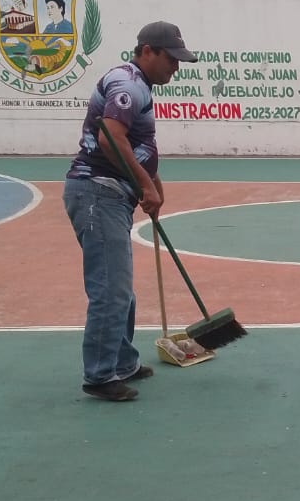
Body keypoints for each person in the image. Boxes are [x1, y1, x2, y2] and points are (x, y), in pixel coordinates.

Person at [62, 21, 198, 401]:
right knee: (111, 289)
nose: (176, 67)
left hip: (108, 194)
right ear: (148, 51)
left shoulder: (139, 86)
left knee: (120, 288)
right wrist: (144, 185)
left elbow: (137, 145)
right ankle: (100, 375)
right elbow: (110, 137)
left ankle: (122, 362)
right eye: (172, 59)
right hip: (98, 192)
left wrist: (153, 184)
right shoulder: (128, 84)